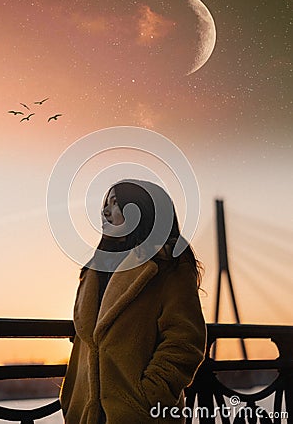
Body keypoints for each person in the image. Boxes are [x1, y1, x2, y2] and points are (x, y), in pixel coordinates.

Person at [60, 179, 206, 424]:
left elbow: (185, 341)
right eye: (105, 204)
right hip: (86, 414)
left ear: (143, 210)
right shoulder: (94, 271)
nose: (105, 211)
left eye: (116, 203)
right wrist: (71, 398)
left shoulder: (168, 265)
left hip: (140, 414)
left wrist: (151, 395)